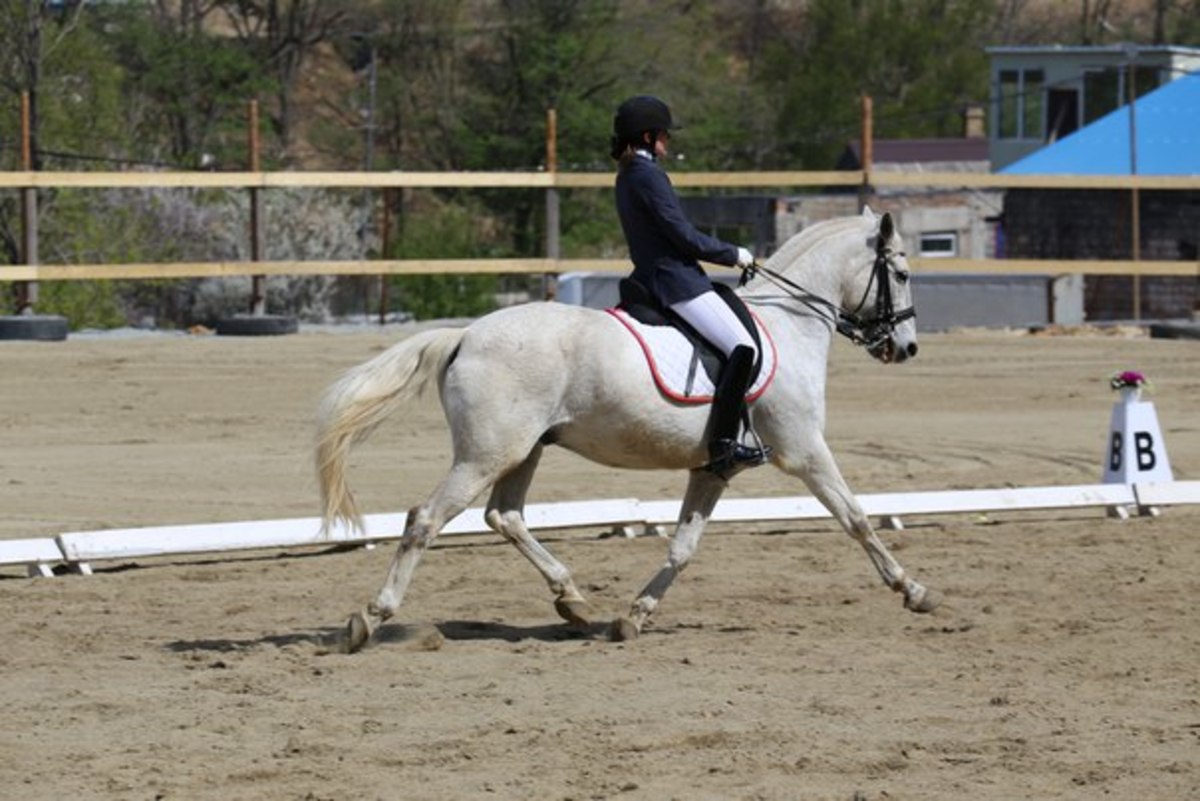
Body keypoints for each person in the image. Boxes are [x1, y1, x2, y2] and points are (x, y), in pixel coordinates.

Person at [610, 94, 771, 478]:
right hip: (676, 282)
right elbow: (682, 235)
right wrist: (733, 254)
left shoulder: (627, 173)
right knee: (743, 347)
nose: (669, 141)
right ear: (648, 137)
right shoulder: (647, 175)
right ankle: (723, 445)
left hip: (651, 277)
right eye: (664, 135)